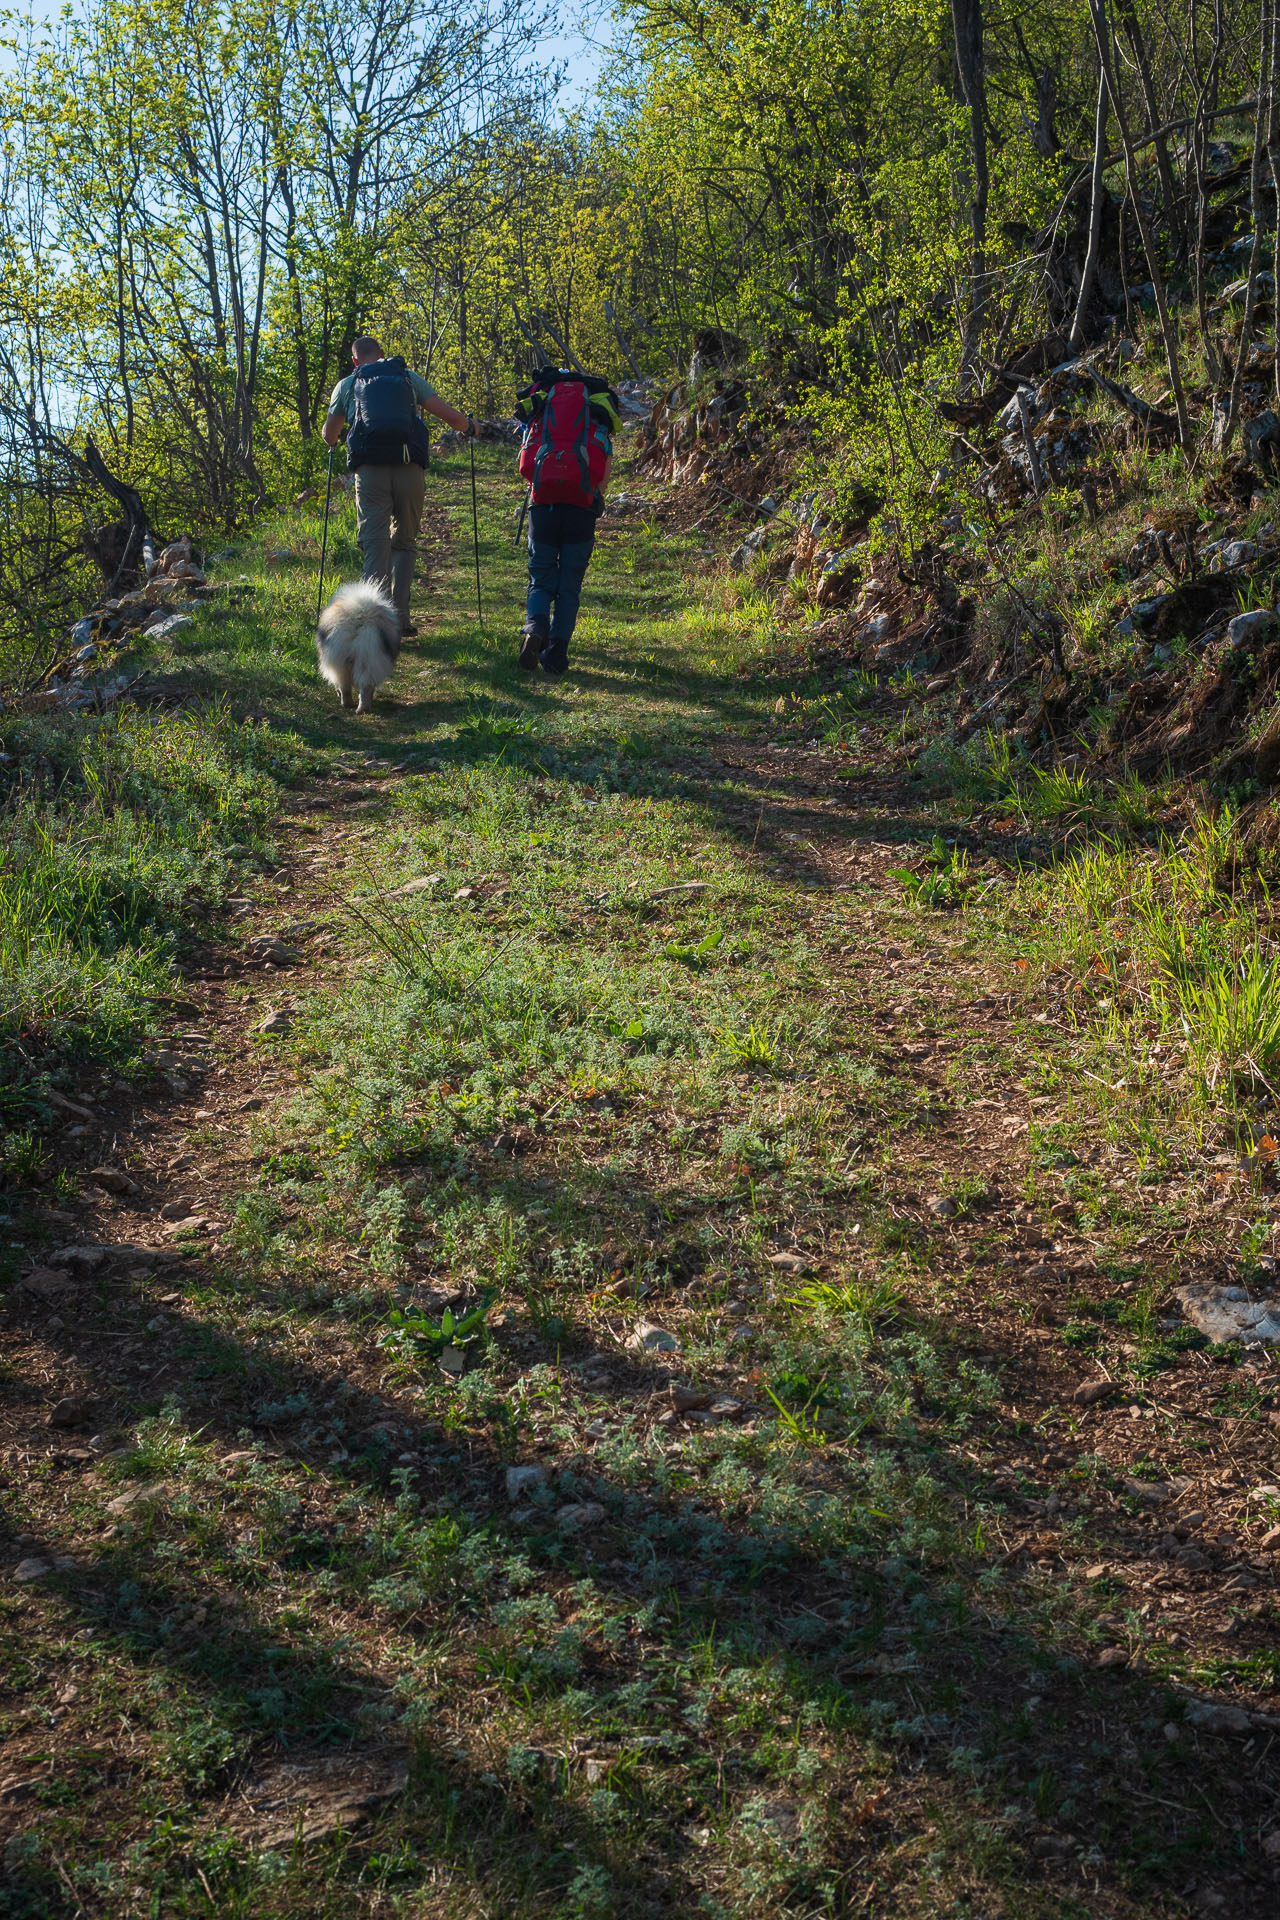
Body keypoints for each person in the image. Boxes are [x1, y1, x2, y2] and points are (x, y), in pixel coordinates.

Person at [323, 336, 475, 637]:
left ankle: (375, 625)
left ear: (355, 361)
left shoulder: (347, 384)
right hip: (409, 469)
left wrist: (338, 433)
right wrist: (471, 427)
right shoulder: (406, 376)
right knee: (404, 542)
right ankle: (401, 618)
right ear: (382, 354)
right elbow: (449, 416)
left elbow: (330, 434)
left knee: (374, 543)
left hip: (369, 472)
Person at [515, 366, 619, 675]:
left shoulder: (540, 409)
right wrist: (594, 497)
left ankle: (535, 628)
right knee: (569, 587)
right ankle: (557, 653)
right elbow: (604, 467)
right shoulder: (597, 415)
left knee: (540, 577)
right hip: (581, 509)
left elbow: (526, 464)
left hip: (543, 507)